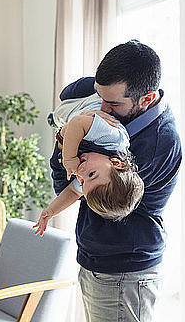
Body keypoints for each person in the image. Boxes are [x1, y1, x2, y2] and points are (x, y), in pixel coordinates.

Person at [53, 40, 182, 322]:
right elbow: (71, 180)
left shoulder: (156, 143)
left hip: (125, 272)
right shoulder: (113, 123)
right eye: (100, 96)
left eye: (112, 103)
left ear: (146, 99)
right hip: (99, 261)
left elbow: (73, 188)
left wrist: (67, 141)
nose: (102, 108)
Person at [32, 92, 144, 235]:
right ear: (116, 163)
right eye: (91, 174)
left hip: (70, 123)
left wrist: (51, 211)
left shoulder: (95, 182)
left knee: (63, 120)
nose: (81, 173)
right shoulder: (114, 140)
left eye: (83, 182)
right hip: (87, 103)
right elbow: (77, 123)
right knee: (62, 112)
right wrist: (69, 159)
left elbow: (73, 191)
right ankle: (54, 118)